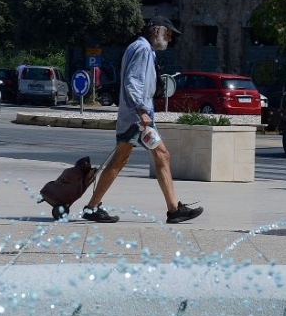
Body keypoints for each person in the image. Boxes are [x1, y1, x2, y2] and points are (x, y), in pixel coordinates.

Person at [82, 16, 203, 224]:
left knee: (150, 157)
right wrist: (141, 111)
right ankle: (172, 210)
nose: (170, 38)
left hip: (136, 118)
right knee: (148, 157)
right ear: (156, 31)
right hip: (137, 120)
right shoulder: (143, 49)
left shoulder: (139, 47)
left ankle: (172, 209)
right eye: (168, 33)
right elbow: (133, 81)